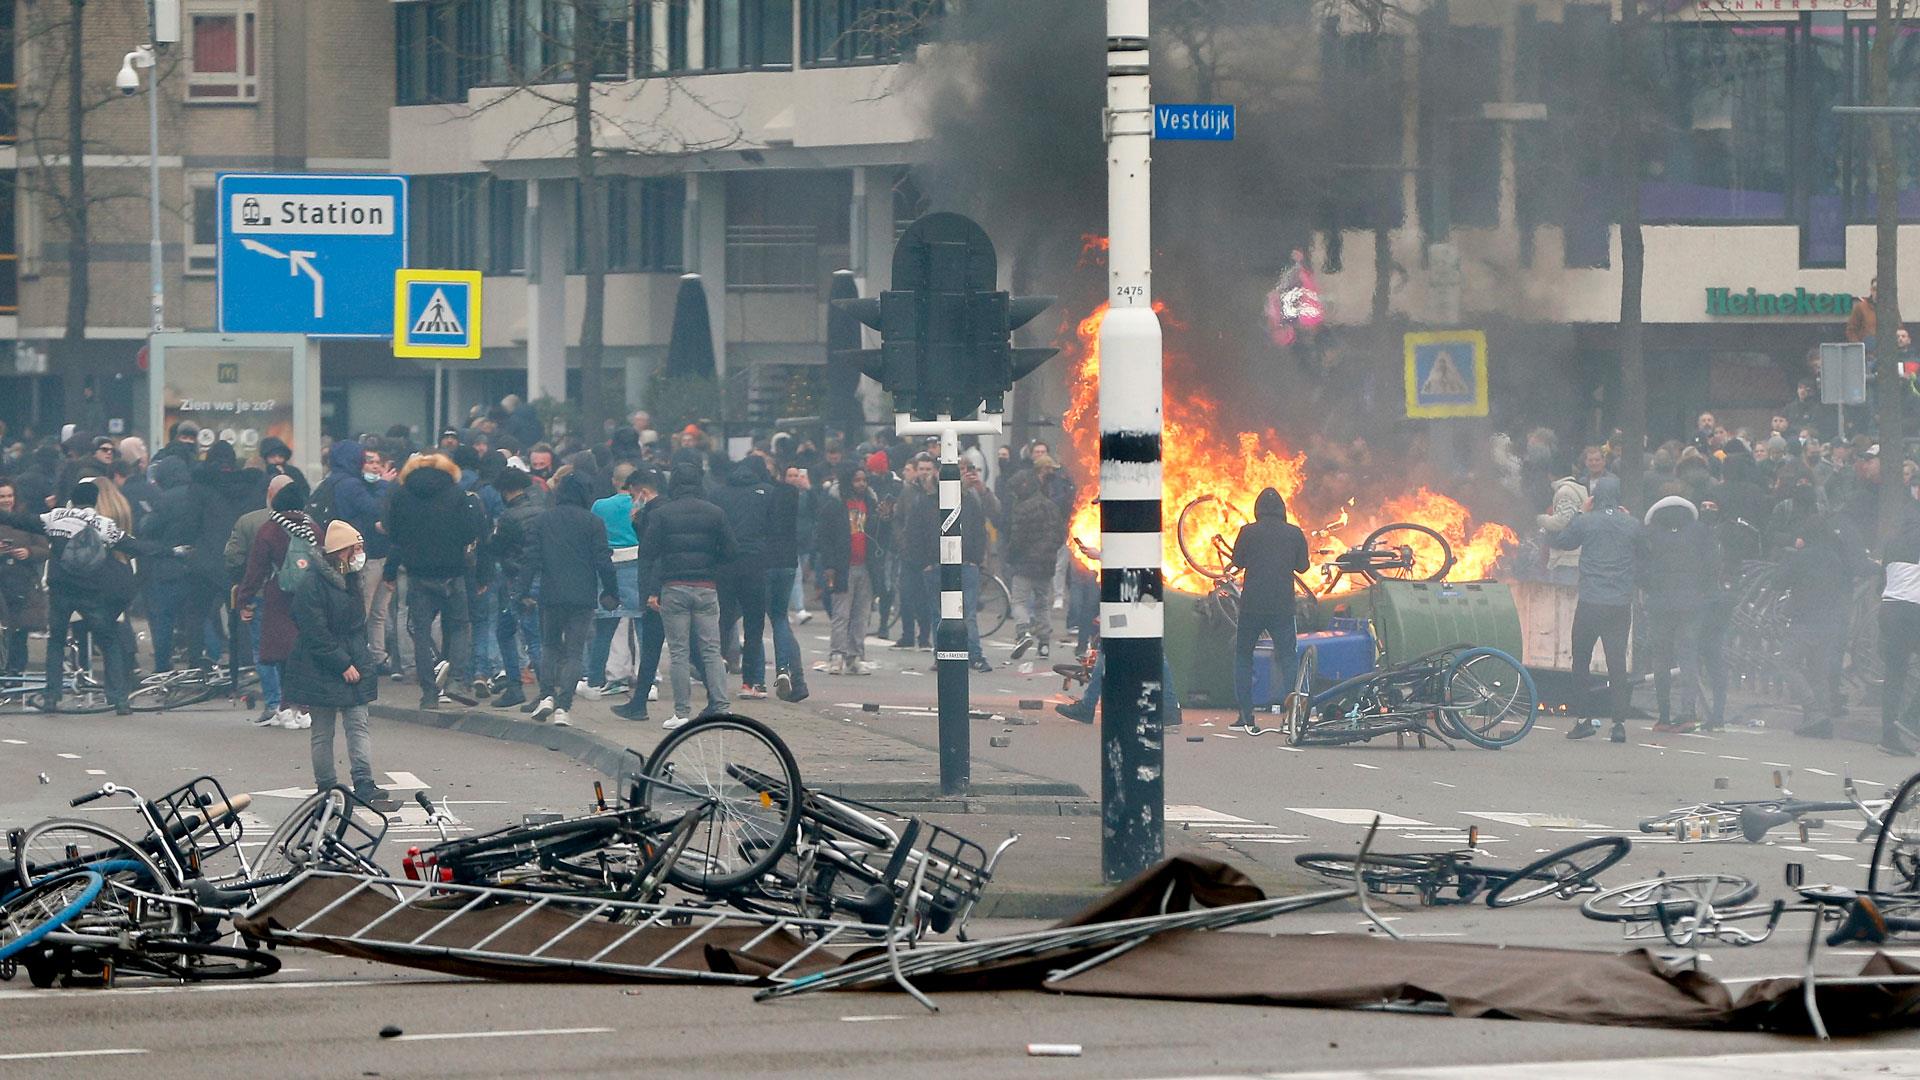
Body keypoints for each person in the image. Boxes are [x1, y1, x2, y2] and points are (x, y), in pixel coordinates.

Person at [285, 521, 399, 812]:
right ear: (340, 551)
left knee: (358, 724)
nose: (360, 554)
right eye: (355, 549)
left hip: (354, 658)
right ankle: (326, 786)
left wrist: (358, 660)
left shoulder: (352, 578)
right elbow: (314, 630)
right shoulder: (312, 584)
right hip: (321, 665)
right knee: (323, 730)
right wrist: (342, 662)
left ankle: (364, 782)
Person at [41, 480, 159, 715]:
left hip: (62, 588)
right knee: (109, 641)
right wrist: (171, 551)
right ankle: (119, 699)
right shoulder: (105, 522)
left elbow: (23, 521)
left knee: (56, 641)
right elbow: (135, 546)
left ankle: (52, 696)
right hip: (93, 589)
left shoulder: (56, 518)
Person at [636, 459, 737, 729]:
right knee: (711, 649)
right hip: (706, 587)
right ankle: (721, 706)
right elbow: (731, 551)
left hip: (674, 586)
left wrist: (650, 591)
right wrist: (712, 566)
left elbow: (648, 554)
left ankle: (682, 712)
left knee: (679, 651)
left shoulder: (662, 514)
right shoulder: (715, 513)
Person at [517, 473, 618, 727]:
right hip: (583, 595)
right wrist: (611, 591)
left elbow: (531, 559)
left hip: (551, 593)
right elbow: (603, 561)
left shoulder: (543, 520)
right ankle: (564, 706)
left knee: (550, 646)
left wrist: (522, 591)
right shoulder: (593, 522)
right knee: (575, 651)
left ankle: (546, 695)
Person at [385, 452, 484, 710]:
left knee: (421, 632)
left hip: (418, 574)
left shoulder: (402, 495)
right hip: (452, 572)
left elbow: (394, 535)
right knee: (460, 626)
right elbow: (469, 533)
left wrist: (390, 571)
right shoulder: (457, 494)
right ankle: (456, 680)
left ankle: (429, 692)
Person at [1552, 475, 1639, 743]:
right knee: (1617, 663)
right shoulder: (1631, 524)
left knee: (1581, 659)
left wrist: (1580, 512)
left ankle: (1583, 720)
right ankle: (1619, 724)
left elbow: (1563, 540)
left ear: (1594, 497)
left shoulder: (1586, 521)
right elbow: (1645, 550)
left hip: (1591, 601)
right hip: (1619, 602)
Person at [1227, 488, 1311, 731]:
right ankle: (1292, 715)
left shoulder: (1248, 532)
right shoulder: (1294, 533)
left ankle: (1246, 715)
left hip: (1252, 606)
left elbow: (1238, 561)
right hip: (1282, 606)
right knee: (1288, 658)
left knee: (1243, 657)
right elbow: (1303, 567)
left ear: (1258, 509)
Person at [237, 479, 317, 730]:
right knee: (305, 653)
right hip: (310, 598)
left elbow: (255, 570)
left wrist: (244, 599)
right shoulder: (313, 528)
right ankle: (304, 707)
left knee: (283, 655)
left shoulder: (270, 530)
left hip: (279, 598)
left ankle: (284, 707)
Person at [1638, 495, 1715, 735]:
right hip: (1692, 604)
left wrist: (1651, 588)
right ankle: (1688, 714)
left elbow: (1639, 568)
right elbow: (1712, 565)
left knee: (1661, 658)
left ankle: (1663, 716)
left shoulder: (1650, 533)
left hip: (1660, 604)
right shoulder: (1700, 531)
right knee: (1688, 657)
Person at [711, 455, 774, 697]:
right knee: (754, 623)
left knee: (723, 618)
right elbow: (772, 528)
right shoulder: (767, 493)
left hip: (724, 563)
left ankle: (715, 673)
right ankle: (750, 683)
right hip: (755, 562)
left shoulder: (718, 493)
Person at [611, 470, 671, 722]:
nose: (632, 500)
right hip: (660, 588)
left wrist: (653, 591)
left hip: (658, 590)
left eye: (633, 495)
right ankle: (638, 703)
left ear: (643, 492)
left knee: (658, 646)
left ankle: (639, 704)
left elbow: (655, 555)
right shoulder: (657, 511)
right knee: (654, 647)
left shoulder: (656, 514)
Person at [584, 466, 645, 697]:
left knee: (605, 627)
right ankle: (648, 679)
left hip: (609, 565)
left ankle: (594, 680)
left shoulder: (600, 506)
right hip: (637, 563)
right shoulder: (641, 504)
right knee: (643, 625)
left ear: (614, 481)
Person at [486, 465, 538, 709]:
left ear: (504, 491)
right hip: (540, 576)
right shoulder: (541, 510)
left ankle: (517, 686)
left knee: (510, 632)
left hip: (515, 578)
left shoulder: (508, 517)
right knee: (534, 634)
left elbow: (497, 546)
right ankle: (544, 689)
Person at [817, 465, 875, 676]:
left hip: (866, 566)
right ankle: (837, 655)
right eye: (857, 480)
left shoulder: (870, 503)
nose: (861, 484)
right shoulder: (834, 505)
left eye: (864, 480)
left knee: (861, 614)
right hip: (843, 567)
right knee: (841, 613)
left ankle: (855, 656)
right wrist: (829, 566)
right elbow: (824, 538)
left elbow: (879, 534)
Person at [1006, 471, 1065, 661]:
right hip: (1046, 564)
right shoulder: (1051, 506)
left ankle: (1023, 633)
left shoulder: (1021, 508)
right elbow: (1060, 535)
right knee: (1042, 603)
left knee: (1019, 601)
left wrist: (1010, 556)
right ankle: (1044, 644)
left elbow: (1017, 538)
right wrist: (1049, 552)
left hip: (1024, 562)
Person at [765, 463, 809, 703]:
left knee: (751, 621)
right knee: (780, 619)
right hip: (788, 560)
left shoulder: (764, 495)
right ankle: (796, 678)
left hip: (764, 561)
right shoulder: (792, 496)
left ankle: (753, 679)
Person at [1878, 509, 1920, 757]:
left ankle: (1889, 736)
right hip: (1913, 611)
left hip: (1889, 609)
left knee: (1894, 675)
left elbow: (1881, 581)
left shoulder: (1893, 542)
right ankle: (1912, 719)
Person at [0, 476, 49, 676]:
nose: (6, 500)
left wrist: (28, 552)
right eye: (2, 496)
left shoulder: (26, 520)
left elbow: (45, 549)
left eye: (9, 495)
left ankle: (16, 672)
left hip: (22, 583)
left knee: (19, 633)